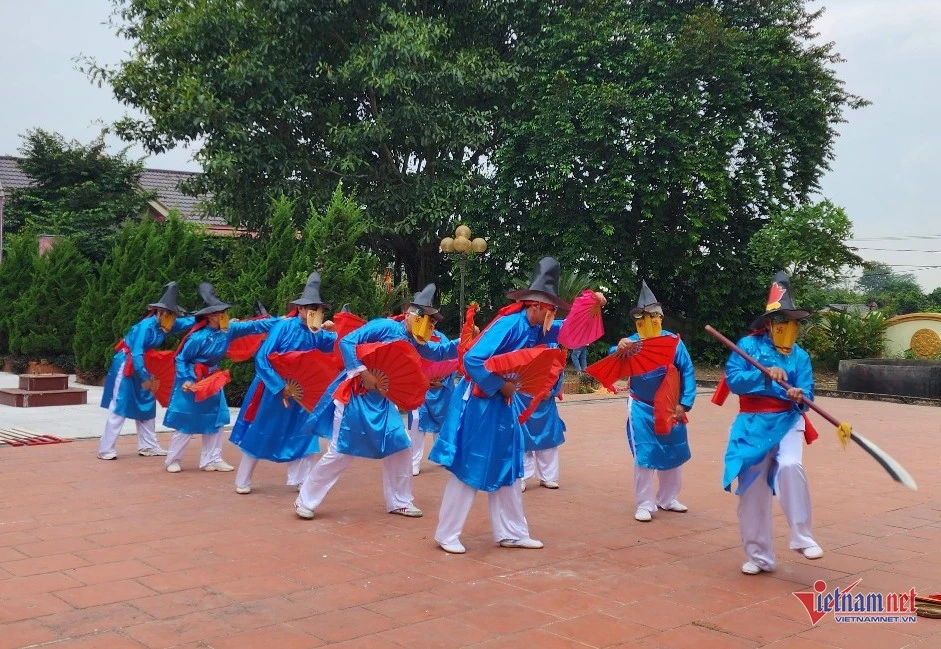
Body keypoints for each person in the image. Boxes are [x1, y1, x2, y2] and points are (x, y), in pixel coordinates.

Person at [430, 257, 573, 554]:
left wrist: (591, 305)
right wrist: (499, 385)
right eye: (551, 309)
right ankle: (447, 533)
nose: (554, 315)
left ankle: (512, 532)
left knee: (509, 462)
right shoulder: (509, 324)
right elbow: (472, 359)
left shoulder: (536, 327)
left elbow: (570, 331)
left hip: (502, 402)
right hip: (478, 402)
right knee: (468, 464)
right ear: (537, 305)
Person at [294, 284, 457, 520]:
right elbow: (347, 342)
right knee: (340, 452)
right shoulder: (385, 326)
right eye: (427, 318)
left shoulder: (415, 342)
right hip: (355, 396)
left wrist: (467, 341)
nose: (430, 324)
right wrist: (363, 372)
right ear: (411, 315)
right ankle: (305, 499)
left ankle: (399, 501)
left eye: (433, 321)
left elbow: (440, 352)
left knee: (401, 446)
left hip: (383, 401)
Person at [719, 271, 823, 575]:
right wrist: (764, 374)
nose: (786, 326)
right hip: (751, 423)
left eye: (792, 321)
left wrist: (799, 394)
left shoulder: (800, 356)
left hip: (788, 419)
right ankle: (759, 556)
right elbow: (734, 381)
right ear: (768, 323)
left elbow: (808, 393)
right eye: (780, 320)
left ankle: (802, 537)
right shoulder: (748, 347)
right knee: (752, 489)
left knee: (790, 465)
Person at [229, 273, 337, 494]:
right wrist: (279, 386)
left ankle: (302, 480)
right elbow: (262, 358)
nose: (316, 313)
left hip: (301, 393)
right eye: (312, 308)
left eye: (319, 309)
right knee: (261, 430)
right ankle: (243, 480)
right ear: (300, 309)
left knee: (305, 434)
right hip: (272, 389)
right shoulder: (283, 327)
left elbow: (331, 348)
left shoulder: (317, 332)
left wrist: (334, 333)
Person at [163, 283, 276, 473]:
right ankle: (173, 459)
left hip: (213, 379)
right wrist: (187, 378)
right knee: (187, 421)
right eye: (220, 313)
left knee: (216, 419)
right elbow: (181, 358)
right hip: (193, 379)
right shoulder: (198, 338)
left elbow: (254, 325)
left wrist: (283, 321)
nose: (224, 315)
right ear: (210, 316)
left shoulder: (228, 330)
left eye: (224, 312)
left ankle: (212, 459)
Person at [614, 281, 696, 522]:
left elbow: (687, 371)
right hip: (641, 406)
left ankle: (668, 498)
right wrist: (618, 347)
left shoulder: (674, 342)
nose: (648, 321)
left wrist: (684, 403)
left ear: (660, 317)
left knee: (674, 450)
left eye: (652, 316)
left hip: (670, 406)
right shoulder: (632, 343)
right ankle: (645, 503)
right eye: (642, 317)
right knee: (644, 453)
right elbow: (614, 357)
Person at [98, 282, 194, 460]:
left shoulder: (167, 324)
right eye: (169, 314)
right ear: (159, 312)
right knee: (120, 404)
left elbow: (187, 322)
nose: (172, 318)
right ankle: (106, 449)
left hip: (144, 365)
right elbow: (136, 353)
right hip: (127, 364)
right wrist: (145, 376)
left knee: (147, 402)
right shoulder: (145, 327)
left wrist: (204, 318)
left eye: (173, 315)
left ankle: (148, 446)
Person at [408, 316, 456, 476]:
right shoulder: (413, 340)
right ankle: (414, 462)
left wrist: (442, 382)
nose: (431, 325)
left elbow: (452, 360)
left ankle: (443, 456)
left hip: (441, 391)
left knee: (444, 425)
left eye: (433, 322)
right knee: (418, 425)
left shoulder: (443, 339)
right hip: (421, 390)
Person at [520, 346, 566, 491]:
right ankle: (521, 477)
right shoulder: (521, 342)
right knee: (522, 440)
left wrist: (552, 391)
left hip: (545, 401)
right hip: (523, 399)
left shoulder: (552, 345)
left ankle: (549, 476)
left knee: (548, 438)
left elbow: (559, 370)